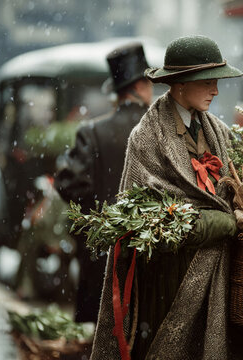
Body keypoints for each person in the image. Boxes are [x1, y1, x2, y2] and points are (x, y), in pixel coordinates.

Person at [90, 35, 242, 360]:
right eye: (208, 82)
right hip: (166, 279)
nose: (216, 90)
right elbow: (147, 221)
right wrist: (222, 223)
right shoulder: (146, 137)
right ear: (180, 84)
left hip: (214, 276)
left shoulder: (218, 130)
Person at [54, 42, 153, 323]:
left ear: (117, 92)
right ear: (142, 86)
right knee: (140, 328)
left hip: (104, 252)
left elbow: (71, 185)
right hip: (151, 250)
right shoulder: (159, 131)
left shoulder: (92, 132)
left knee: (102, 331)